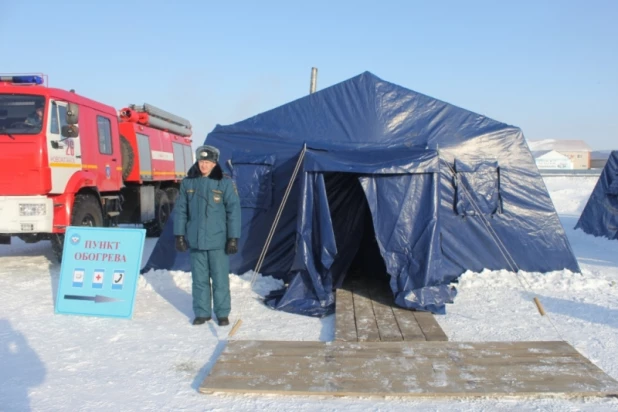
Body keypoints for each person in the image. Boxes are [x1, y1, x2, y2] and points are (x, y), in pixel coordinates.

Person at [174, 145, 241, 326]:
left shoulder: (224, 183)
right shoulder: (188, 183)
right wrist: (179, 234)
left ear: (214, 163)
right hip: (196, 240)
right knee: (199, 279)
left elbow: (233, 211)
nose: (204, 166)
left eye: (208, 162)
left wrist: (233, 237)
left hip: (218, 240)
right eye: (201, 162)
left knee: (220, 279)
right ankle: (202, 312)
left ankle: (222, 313)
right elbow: (181, 211)